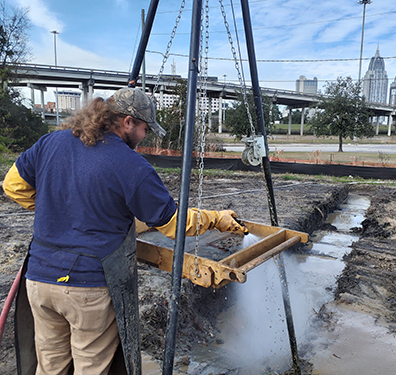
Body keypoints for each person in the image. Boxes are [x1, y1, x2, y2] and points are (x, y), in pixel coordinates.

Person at [2, 87, 247, 375]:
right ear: (127, 122)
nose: (145, 137)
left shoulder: (50, 142)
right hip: (87, 289)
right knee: (91, 367)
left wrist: (60, 212)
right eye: (144, 129)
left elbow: (12, 186)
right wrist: (217, 218)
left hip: (39, 282)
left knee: (50, 365)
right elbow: (175, 224)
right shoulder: (131, 166)